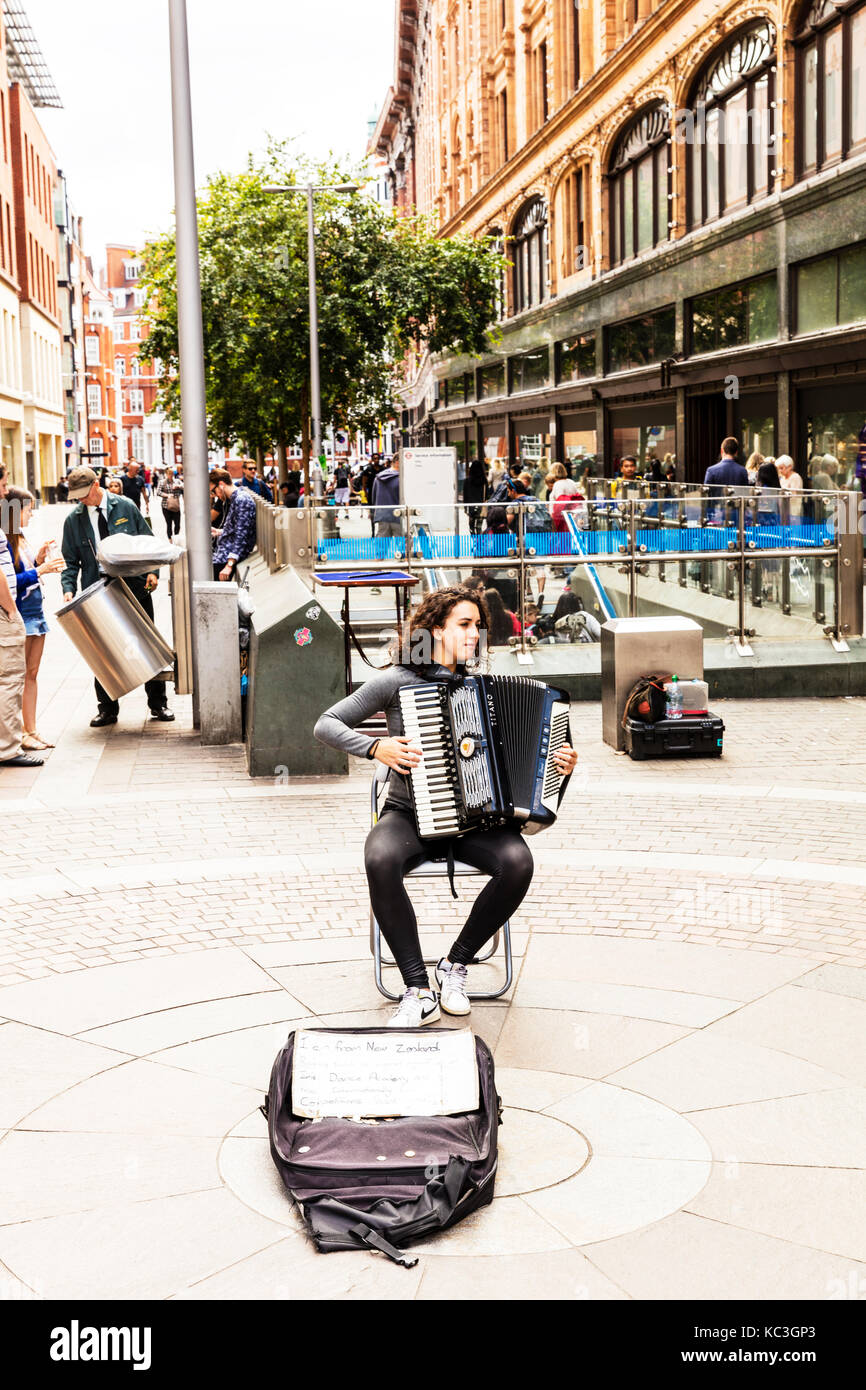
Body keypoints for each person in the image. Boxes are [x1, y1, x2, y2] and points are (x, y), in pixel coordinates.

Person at [313, 586, 578, 1025]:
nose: (475, 633)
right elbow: (327, 723)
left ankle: (455, 965)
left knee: (518, 862)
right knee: (379, 858)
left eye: (479, 626)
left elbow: (535, 753)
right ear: (435, 630)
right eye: (464, 624)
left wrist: (560, 762)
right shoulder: (398, 680)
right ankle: (417, 990)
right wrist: (376, 747)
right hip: (409, 816)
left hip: (478, 823)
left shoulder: (486, 688)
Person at [60, 466, 174, 727]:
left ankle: (158, 704)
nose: (81, 499)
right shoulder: (73, 520)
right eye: (76, 495)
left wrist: (153, 571)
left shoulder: (125, 506)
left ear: (96, 483)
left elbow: (147, 540)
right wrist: (68, 588)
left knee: (146, 641)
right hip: (96, 590)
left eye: (84, 493)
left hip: (133, 584)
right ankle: (107, 709)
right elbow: (70, 561)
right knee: (101, 649)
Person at [5, 487, 64, 750]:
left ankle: (31, 729)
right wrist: (40, 569)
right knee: (17, 677)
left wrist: (38, 559)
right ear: (14, 510)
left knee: (31, 673)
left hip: (35, 613)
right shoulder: (5, 541)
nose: (31, 513)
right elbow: (7, 583)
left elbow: (24, 572)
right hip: (21, 612)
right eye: (28, 509)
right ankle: (20, 733)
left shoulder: (20, 537)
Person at [0, 465, 43, 767]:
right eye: (2, 485)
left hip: (14, 611)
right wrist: (12, 610)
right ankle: (9, 747)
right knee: (9, 682)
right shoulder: (5, 533)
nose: (5, 491)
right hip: (9, 612)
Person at [210, 468, 257, 580]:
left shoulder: (241, 500)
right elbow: (237, 529)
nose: (215, 495)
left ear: (221, 485)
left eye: (213, 491)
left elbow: (241, 536)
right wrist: (220, 532)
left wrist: (229, 565)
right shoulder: (236, 498)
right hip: (223, 555)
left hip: (225, 559)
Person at [370, 454, 403, 551]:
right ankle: (404, 566)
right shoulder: (401, 479)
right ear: (397, 462)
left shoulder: (378, 478)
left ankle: (379, 565)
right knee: (404, 550)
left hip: (382, 516)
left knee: (380, 549)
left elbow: (374, 497)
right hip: (399, 516)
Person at [463, 457, 489, 534]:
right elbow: (487, 495)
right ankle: (479, 543)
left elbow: (465, 496)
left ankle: (475, 542)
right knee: (478, 526)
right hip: (481, 506)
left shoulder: (467, 481)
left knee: (471, 526)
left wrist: (465, 508)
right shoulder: (484, 480)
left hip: (471, 506)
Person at [157, 467, 183, 540]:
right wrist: (167, 495)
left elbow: (184, 486)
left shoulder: (177, 481)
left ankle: (176, 538)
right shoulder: (162, 482)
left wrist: (178, 486)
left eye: (172, 474)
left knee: (177, 524)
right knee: (169, 524)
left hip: (176, 506)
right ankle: (170, 540)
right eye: (169, 474)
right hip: (166, 506)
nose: (170, 475)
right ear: (166, 474)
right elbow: (158, 492)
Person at [776, 454, 803, 520]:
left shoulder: (795, 477)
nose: (780, 471)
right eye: (779, 468)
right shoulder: (782, 478)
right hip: (784, 508)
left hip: (793, 509)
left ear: (790, 467)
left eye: (782, 468)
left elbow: (793, 495)